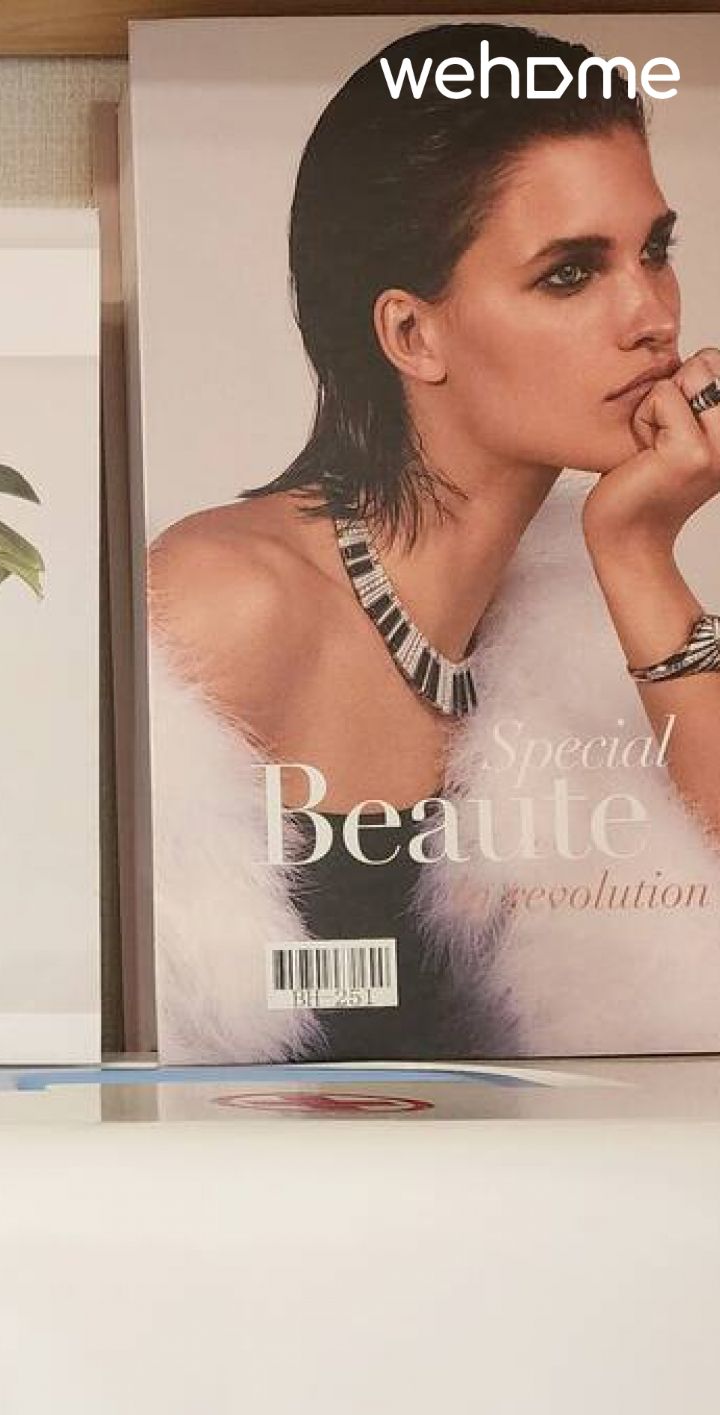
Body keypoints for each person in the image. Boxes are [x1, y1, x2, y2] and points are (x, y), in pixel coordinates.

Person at [147, 21, 720, 1060]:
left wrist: (638, 552)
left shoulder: (582, 611)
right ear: (411, 334)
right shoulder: (224, 604)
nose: (650, 316)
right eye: (569, 274)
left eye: (654, 251)